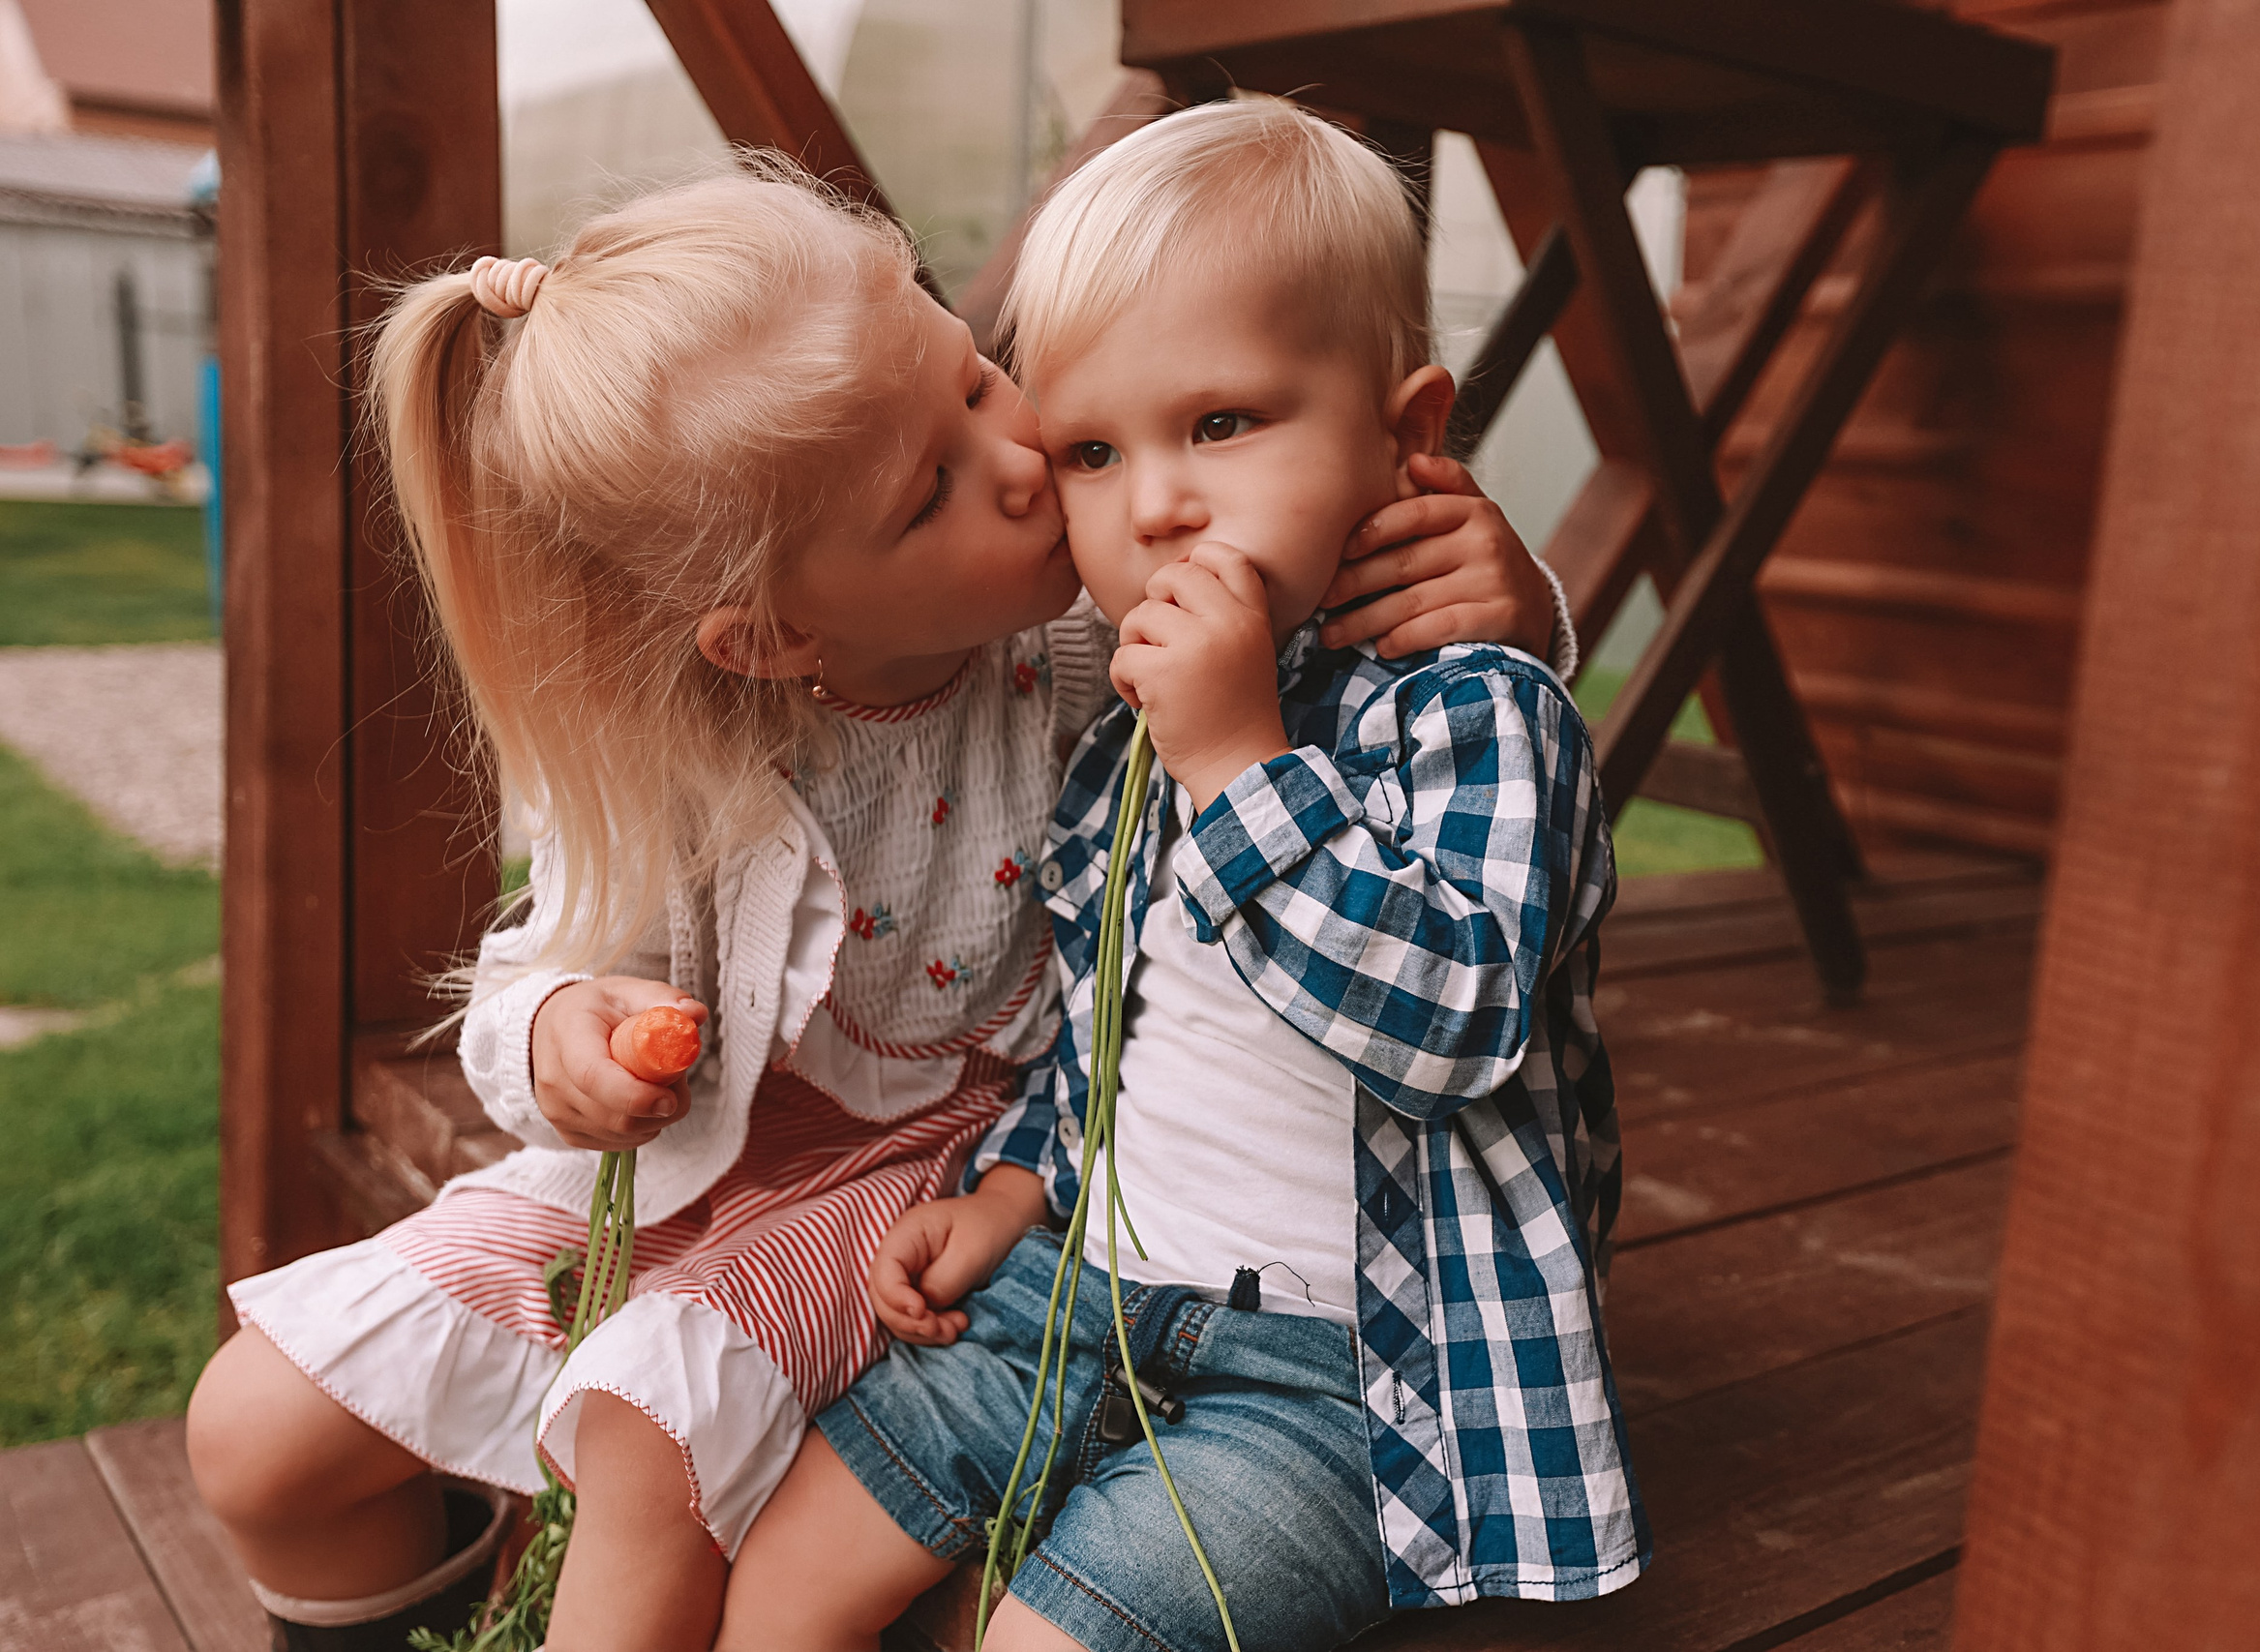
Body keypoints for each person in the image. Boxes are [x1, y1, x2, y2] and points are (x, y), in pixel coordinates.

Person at [179, 159, 1572, 1652]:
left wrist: (1519, 597)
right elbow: (538, 972)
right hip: (699, 1169)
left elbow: (1337, 612)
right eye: (934, 487)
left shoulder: (1101, 642)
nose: (1032, 464)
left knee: (650, 1447)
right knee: (249, 1429)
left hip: (928, 1166)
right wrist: (566, 1039)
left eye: (979, 380)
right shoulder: (680, 756)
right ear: (773, 636)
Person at [718, 98, 1644, 1652]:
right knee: (789, 1578)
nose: (1155, 503)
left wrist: (1238, 768)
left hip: (1345, 1372)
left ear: (1411, 431)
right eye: (1091, 449)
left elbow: (1454, 1025)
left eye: (1221, 423)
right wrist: (1018, 1190)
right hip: (1075, 1298)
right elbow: (1112, 1022)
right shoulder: (1130, 721)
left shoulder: (1472, 710)